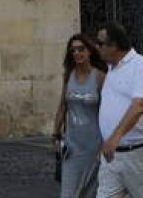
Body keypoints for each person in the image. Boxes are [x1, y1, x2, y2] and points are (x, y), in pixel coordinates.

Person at [95, 21, 143, 198]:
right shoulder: (111, 69)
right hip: (113, 156)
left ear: (114, 46)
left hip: (139, 154)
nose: (96, 47)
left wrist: (115, 137)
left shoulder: (140, 65)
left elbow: (139, 105)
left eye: (100, 43)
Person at [52, 33, 108, 198]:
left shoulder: (100, 77)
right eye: (73, 50)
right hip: (72, 146)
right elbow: (63, 105)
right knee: (68, 193)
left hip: (94, 145)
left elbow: (107, 113)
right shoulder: (68, 76)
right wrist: (55, 132)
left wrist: (106, 144)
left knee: (90, 193)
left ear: (89, 51)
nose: (77, 53)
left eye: (81, 49)